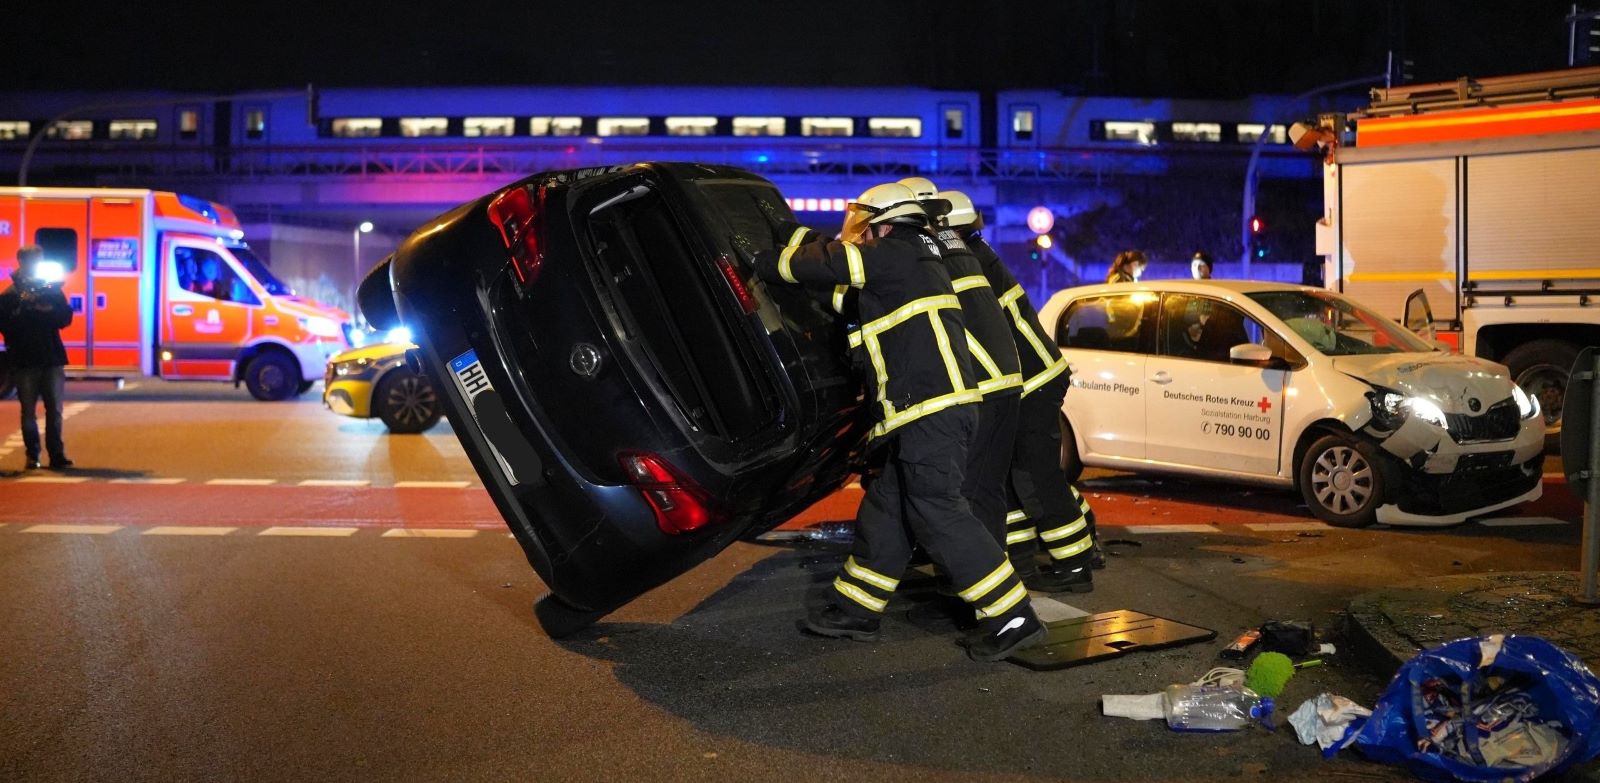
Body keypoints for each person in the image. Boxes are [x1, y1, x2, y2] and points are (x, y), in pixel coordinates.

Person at [746, 183, 1044, 662]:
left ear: (883, 225)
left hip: (932, 411)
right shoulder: (913, 260)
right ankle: (855, 608)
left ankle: (1012, 616)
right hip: (923, 411)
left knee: (938, 510)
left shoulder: (898, 251)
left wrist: (762, 261)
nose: (859, 240)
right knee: (889, 507)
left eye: (864, 231)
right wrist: (789, 231)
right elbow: (841, 291)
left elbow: (826, 264)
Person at [940, 191, 1102, 593]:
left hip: (1031, 382)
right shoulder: (978, 253)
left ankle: (1076, 562)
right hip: (1024, 380)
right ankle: (1022, 559)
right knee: (1011, 475)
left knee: (1035, 475)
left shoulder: (968, 262)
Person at [899, 177, 1021, 546]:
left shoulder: (925, 252)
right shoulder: (958, 246)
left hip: (981, 385)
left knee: (967, 492)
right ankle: (994, 568)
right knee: (988, 488)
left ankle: (981, 584)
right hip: (1004, 379)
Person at [0, 245, 75, 470]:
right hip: (25, 359)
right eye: (32, 260)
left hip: (50, 357)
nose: (35, 264)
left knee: (55, 411)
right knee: (29, 413)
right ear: (21, 262)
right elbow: (5, 325)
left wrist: (48, 310)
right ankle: (33, 455)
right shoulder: (11, 295)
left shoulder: (50, 289)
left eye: (38, 260)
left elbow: (65, 318)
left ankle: (56, 455)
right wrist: (26, 310)